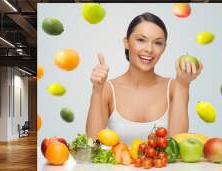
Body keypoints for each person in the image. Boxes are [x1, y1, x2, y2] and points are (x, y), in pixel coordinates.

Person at [86, 12, 203, 144]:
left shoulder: (175, 87)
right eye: (141, 40)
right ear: (126, 42)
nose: (149, 49)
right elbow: (93, 143)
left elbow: (178, 144)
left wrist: (184, 84)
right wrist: (97, 89)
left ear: (164, 48)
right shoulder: (107, 89)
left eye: (158, 43)